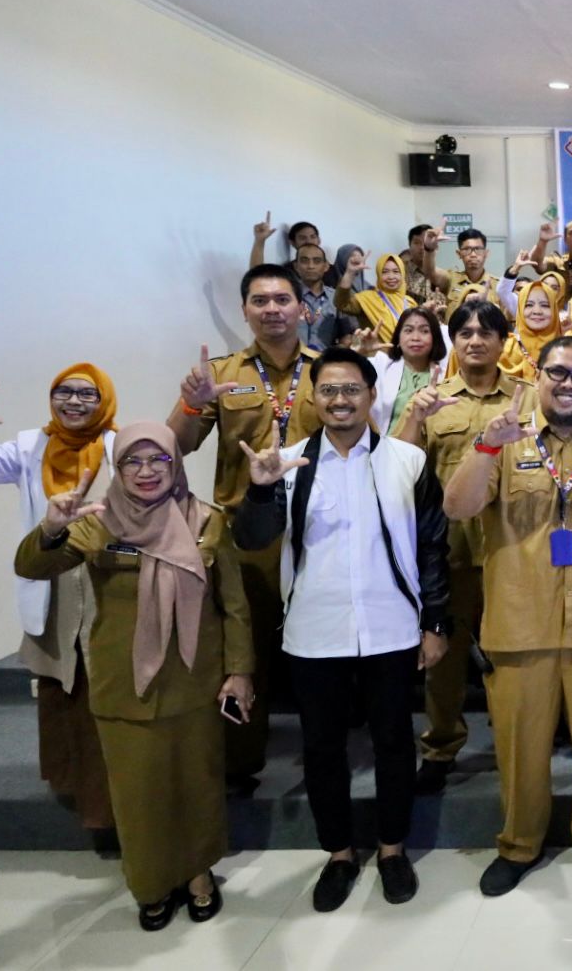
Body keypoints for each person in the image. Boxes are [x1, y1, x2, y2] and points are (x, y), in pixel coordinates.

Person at [232, 347, 451, 913]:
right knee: (322, 748)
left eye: (351, 389)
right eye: (328, 390)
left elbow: (432, 546)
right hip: (315, 630)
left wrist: (434, 622)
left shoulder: (407, 460)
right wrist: (259, 490)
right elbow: (253, 539)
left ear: (370, 394)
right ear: (314, 398)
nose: (339, 400)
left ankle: (392, 849)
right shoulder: (287, 462)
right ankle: (337, 854)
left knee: (394, 742)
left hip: (391, 627)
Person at [15, 422, 253, 931]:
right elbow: (33, 566)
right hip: (124, 685)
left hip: (196, 680)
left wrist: (240, 672)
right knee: (137, 792)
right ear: (118, 468)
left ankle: (198, 874)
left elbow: (234, 606)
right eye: (133, 462)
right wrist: (52, 527)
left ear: (176, 464)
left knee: (199, 784)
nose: (147, 472)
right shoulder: (96, 523)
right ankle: (149, 883)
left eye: (158, 461)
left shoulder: (207, 522)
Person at [444, 336, 572, 896]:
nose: (568, 384)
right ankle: (518, 845)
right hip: (519, 626)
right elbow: (457, 507)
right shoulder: (504, 437)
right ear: (538, 376)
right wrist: (486, 448)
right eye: (557, 372)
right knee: (520, 748)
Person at [166, 264, 321, 782]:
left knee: (320, 647)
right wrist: (193, 402)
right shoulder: (224, 374)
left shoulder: (328, 372)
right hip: (245, 535)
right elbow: (176, 447)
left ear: (303, 308)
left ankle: (326, 751)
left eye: (282, 299)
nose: (272, 309)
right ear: (245, 310)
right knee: (244, 647)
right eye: (260, 301)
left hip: (317, 535)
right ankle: (242, 758)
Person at [396, 300, 535, 792]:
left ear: (503, 341)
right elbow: (399, 468)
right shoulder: (434, 401)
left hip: (514, 552)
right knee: (446, 659)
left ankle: (517, 742)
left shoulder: (528, 398)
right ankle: (440, 746)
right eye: (464, 333)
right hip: (449, 552)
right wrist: (415, 417)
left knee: (513, 656)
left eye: (486, 332)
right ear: (452, 341)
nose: (475, 340)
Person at [0, 368, 118, 846]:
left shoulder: (118, 446)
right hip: (51, 582)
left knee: (96, 695)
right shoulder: (28, 447)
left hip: (104, 585)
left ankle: (107, 806)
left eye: (88, 393)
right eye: (64, 391)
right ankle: (73, 788)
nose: (75, 401)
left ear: (104, 398)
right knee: (61, 691)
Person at [369, 307, 449, 435]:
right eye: (408, 330)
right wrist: (357, 352)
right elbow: (341, 379)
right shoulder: (379, 365)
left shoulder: (445, 374)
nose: (415, 337)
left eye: (424, 331)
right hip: (381, 449)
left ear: (435, 339)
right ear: (398, 339)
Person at [336, 251, 418, 343]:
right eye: (385, 272)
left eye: (396, 272)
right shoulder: (367, 298)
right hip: (377, 355)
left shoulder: (410, 302)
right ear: (378, 274)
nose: (391, 277)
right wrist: (349, 273)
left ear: (402, 274)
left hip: (407, 354)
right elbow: (341, 303)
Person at [427, 228, 502, 319]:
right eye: (467, 249)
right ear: (459, 254)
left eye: (478, 249)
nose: (473, 254)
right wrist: (429, 249)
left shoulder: (498, 286)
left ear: (486, 253)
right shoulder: (451, 279)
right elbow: (430, 272)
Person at [497, 282, 561, 384]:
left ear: (554, 309)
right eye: (528, 305)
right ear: (520, 309)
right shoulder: (506, 348)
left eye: (545, 305)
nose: (537, 311)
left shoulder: (563, 350)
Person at [249, 215, 335, 288]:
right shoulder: (287, 271)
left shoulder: (332, 270)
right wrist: (259, 240)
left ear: (319, 240)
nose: (309, 241)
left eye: (313, 237)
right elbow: (258, 279)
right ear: (292, 242)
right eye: (302, 238)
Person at [291, 244, 347, 350]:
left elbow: (347, 334)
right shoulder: (285, 297)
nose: (310, 266)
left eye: (317, 261)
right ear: (296, 266)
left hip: (325, 362)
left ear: (326, 266)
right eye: (304, 261)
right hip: (291, 361)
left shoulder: (337, 298)